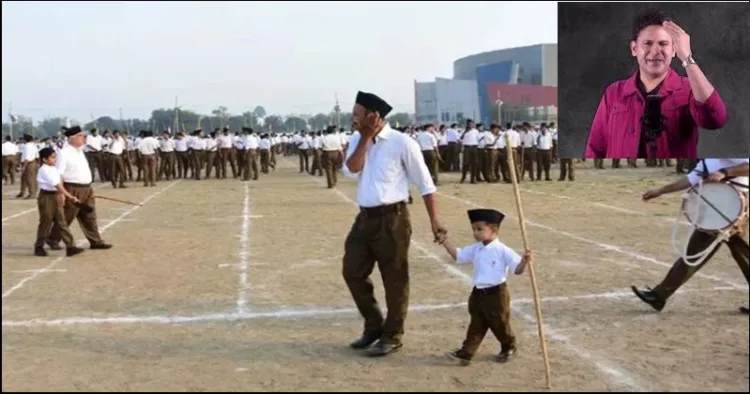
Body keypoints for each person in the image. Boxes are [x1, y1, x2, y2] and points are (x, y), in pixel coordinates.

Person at [342, 91, 446, 357]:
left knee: (395, 279)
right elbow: (352, 168)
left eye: (357, 114)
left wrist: (435, 220)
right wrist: (365, 138)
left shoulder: (402, 143)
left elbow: (425, 184)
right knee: (352, 271)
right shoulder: (357, 138)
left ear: (373, 116)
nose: (352, 118)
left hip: (393, 219)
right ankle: (374, 325)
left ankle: (392, 335)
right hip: (365, 218)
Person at [585, 9, 727, 159]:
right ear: (634, 49)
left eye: (663, 44)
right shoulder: (614, 93)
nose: (655, 51)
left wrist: (687, 57)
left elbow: (716, 118)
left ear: (674, 50)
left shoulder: (690, 90)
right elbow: (595, 148)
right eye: (647, 43)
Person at [631, 158, 749, 314]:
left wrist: (724, 172)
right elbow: (689, 179)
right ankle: (659, 295)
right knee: (738, 251)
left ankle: (659, 295)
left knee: (695, 251)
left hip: (734, 207)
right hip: (717, 209)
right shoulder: (708, 159)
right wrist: (660, 191)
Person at [437, 209, 531, 365]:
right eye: (474, 229)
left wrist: (524, 261)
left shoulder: (503, 250)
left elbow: (518, 270)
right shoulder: (476, 248)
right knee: (476, 323)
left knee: (499, 323)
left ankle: (509, 345)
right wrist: (445, 241)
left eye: (480, 229)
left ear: (493, 229)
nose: (475, 233)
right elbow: (458, 256)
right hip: (478, 293)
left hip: (496, 293)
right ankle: (466, 352)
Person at [47, 126, 113, 251]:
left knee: (89, 215)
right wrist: (61, 193)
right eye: (81, 136)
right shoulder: (64, 153)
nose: (84, 138)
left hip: (86, 188)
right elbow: (59, 174)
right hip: (72, 188)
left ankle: (95, 241)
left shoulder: (80, 150)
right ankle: (53, 239)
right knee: (67, 216)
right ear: (72, 138)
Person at [33, 147, 84, 257]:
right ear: (44, 160)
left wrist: (62, 195)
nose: (54, 159)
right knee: (45, 223)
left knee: (62, 222)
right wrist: (70, 196)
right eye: (52, 157)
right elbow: (56, 184)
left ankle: (71, 246)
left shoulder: (53, 168)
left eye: (55, 157)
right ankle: (38, 247)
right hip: (46, 198)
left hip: (55, 196)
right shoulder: (44, 170)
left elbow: (60, 181)